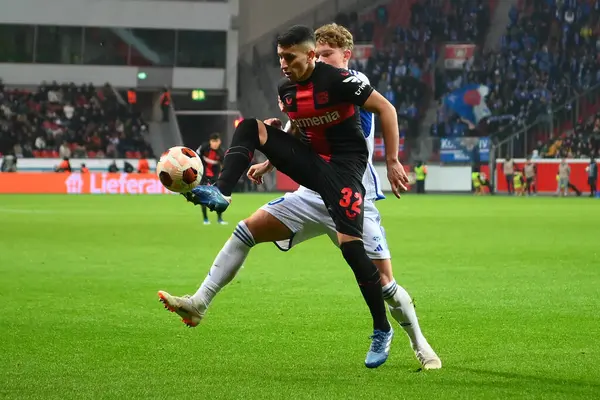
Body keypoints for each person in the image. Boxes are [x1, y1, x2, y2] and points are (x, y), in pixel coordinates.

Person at [158, 25, 409, 369]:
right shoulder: (287, 89)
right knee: (251, 127)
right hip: (312, 168)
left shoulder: (339, 81)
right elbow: (298, 128)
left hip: (345, 172)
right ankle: (221, 191)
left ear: (309, 55)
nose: (283, 64)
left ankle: (382, 329)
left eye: (290, 57)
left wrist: (393, 161)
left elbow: (387, 110)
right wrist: (268, 160)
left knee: (352, 250)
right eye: (280, 58)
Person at [247, 23, 440, 369]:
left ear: (345, 56)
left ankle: (419, 343)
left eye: (326, 55)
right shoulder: (311, 86)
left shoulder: (352, 85)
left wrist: (393, 160)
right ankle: (200, 299)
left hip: (354, 197)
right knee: (247, 231)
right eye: (315, 55)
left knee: (384, 281)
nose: (318, 61)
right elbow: (302, 121)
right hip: (312, 193)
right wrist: (272, 160)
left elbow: (370, 119)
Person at [196, 134, 226, 225]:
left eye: (216, 142)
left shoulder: (221, 152)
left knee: (218, 198)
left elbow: (223, 166)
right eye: (213, 141)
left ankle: (220, 219)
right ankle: (205, 219)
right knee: (203, 197)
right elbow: (196, 156)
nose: (215, 144)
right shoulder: (204, 147)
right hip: (203, 176)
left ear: (219, 142)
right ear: (210, 141)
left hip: (215, 177)